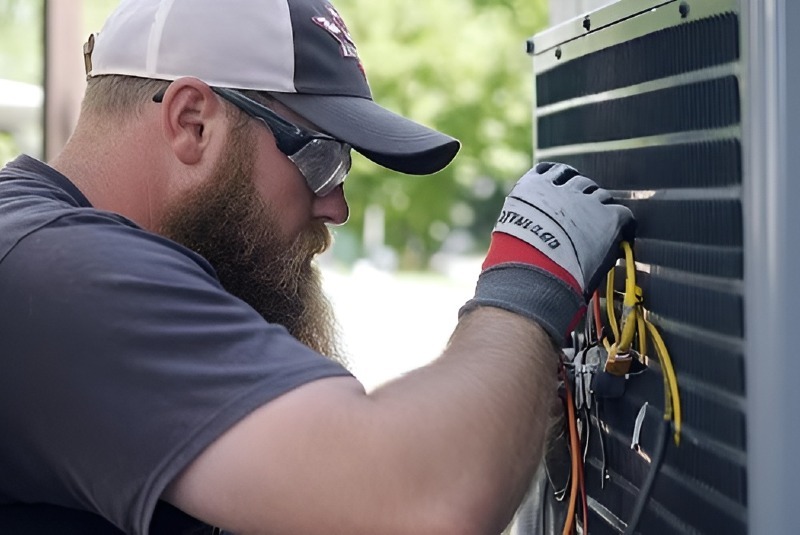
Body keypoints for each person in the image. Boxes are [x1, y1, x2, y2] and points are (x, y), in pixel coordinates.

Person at [0, 0, 634, 533]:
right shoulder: (62, 272)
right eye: (322, 157)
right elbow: (420, 500)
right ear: (191, 122)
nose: (336, 206)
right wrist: (527, 279)